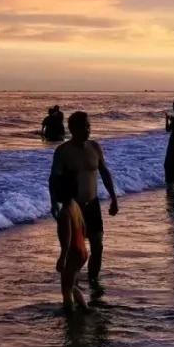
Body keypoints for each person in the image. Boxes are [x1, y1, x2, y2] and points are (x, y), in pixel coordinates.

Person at [49, 112, 119, 294]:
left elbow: (104, 172)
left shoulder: (94, 147)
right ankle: (74, 286)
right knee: (76, 252)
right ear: (73, 129)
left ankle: (94, 282)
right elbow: (54, 179)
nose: (88, 130)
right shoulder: (63, 151)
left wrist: (113, 197)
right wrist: (54, 202)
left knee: (98, 245)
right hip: (74, 207)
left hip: (93, 204)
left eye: (89, 126)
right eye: (84, 126)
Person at [53, 172, 90, 311]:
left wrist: (62, 258)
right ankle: (85, 308)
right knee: (71, 284)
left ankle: (70, 314)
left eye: (57, 190)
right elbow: (84, 228)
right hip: (82, 251)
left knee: (66, 289)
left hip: (73, 253)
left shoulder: (65, 213)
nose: (55, 193)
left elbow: (67, 240)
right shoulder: (75, 206)